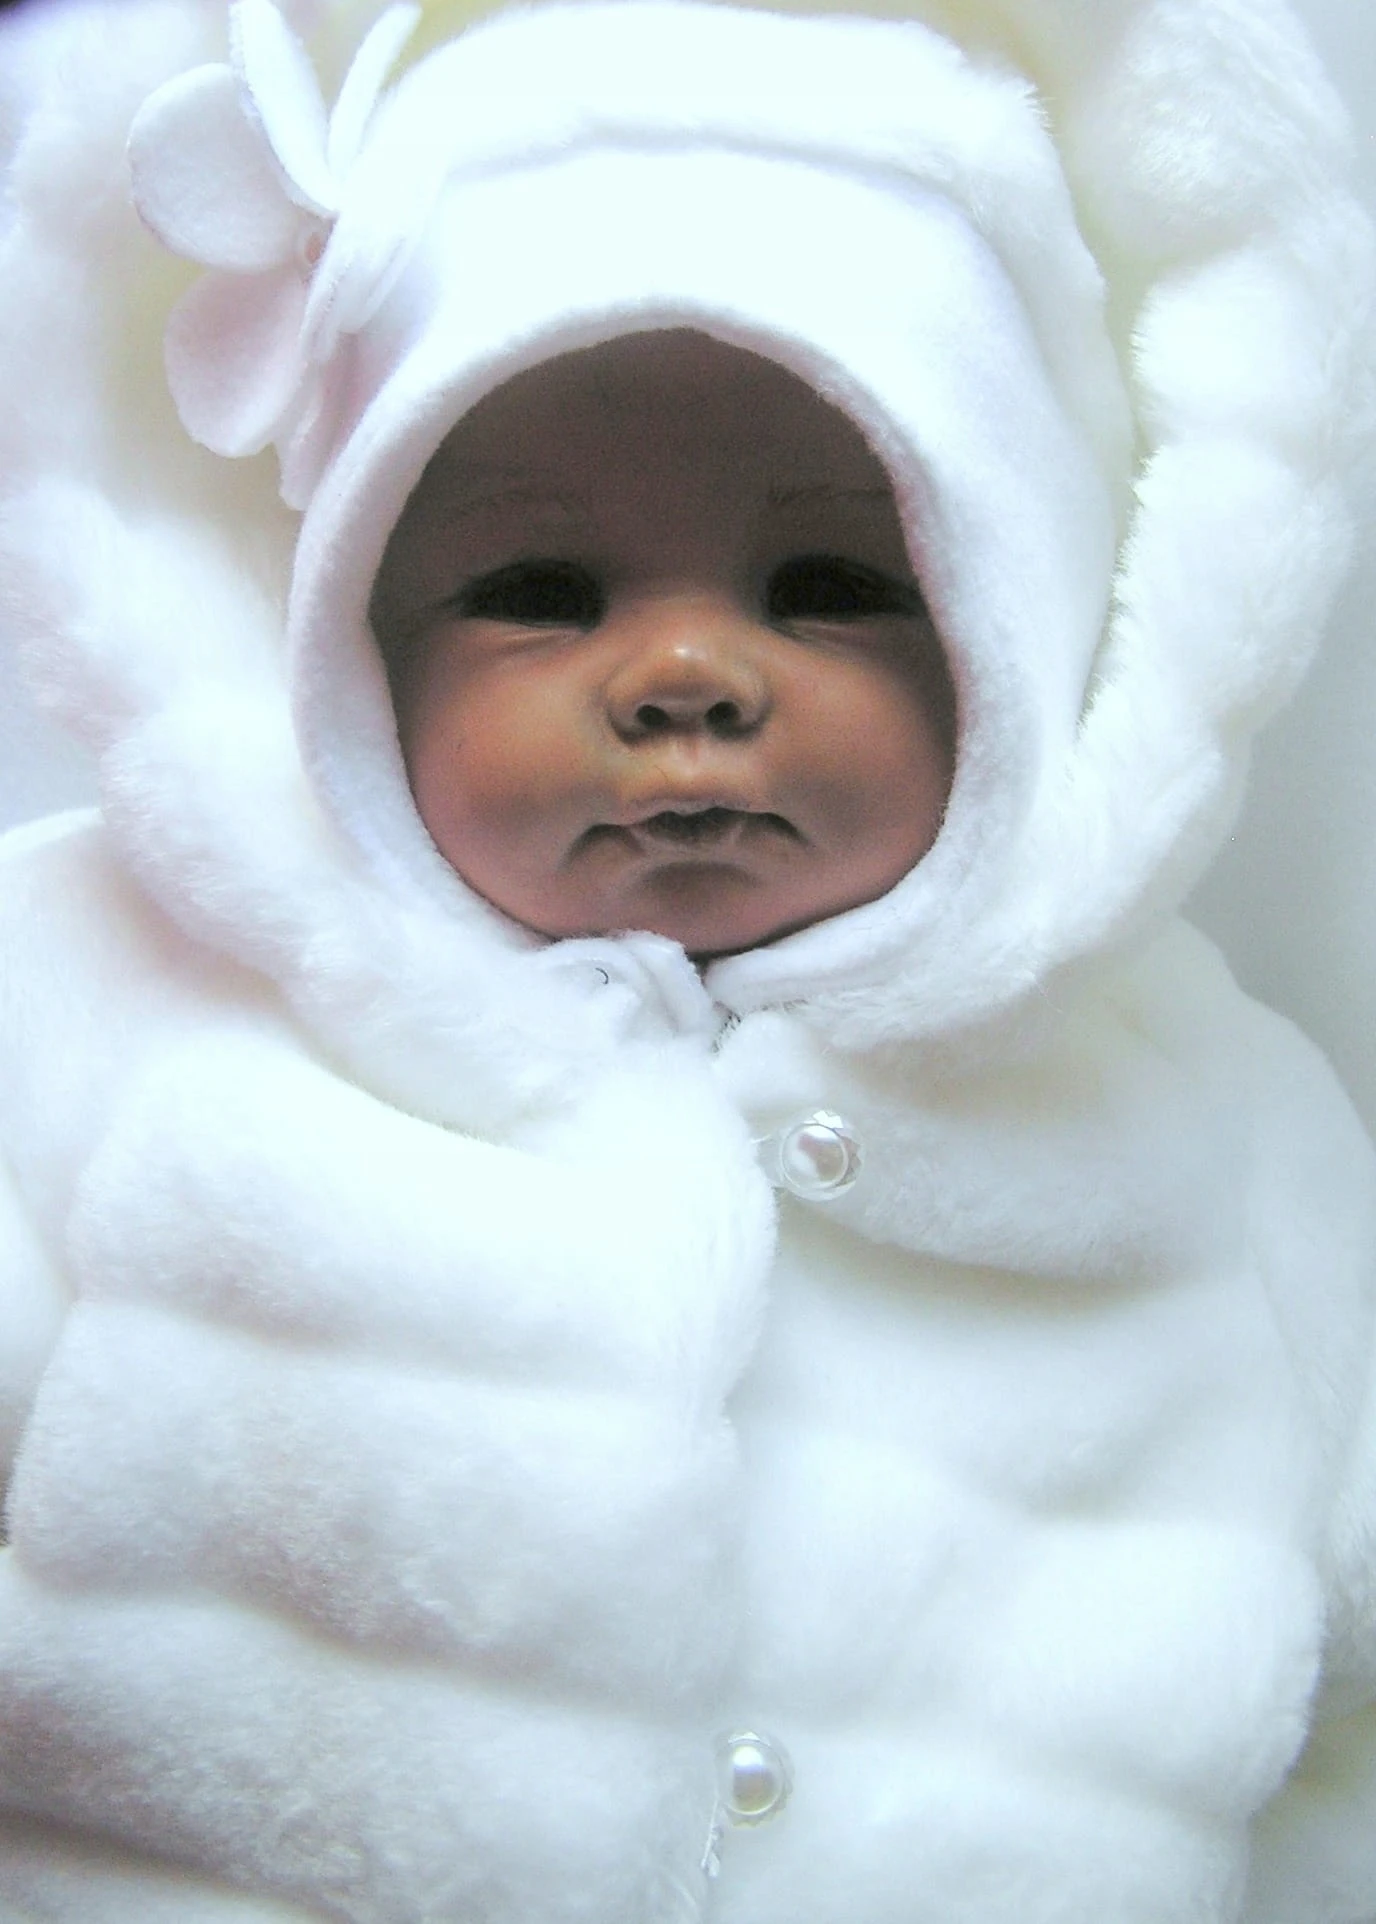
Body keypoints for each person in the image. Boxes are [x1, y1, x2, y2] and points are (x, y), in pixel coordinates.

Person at [0, 0, 1373, 1919]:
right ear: (351, 639)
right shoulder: (106, 1011)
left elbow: (1343, 1733)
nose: (684, 677)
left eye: (833, 586)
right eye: (537, 591)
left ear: (1024, 629)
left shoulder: (1206, 1134)